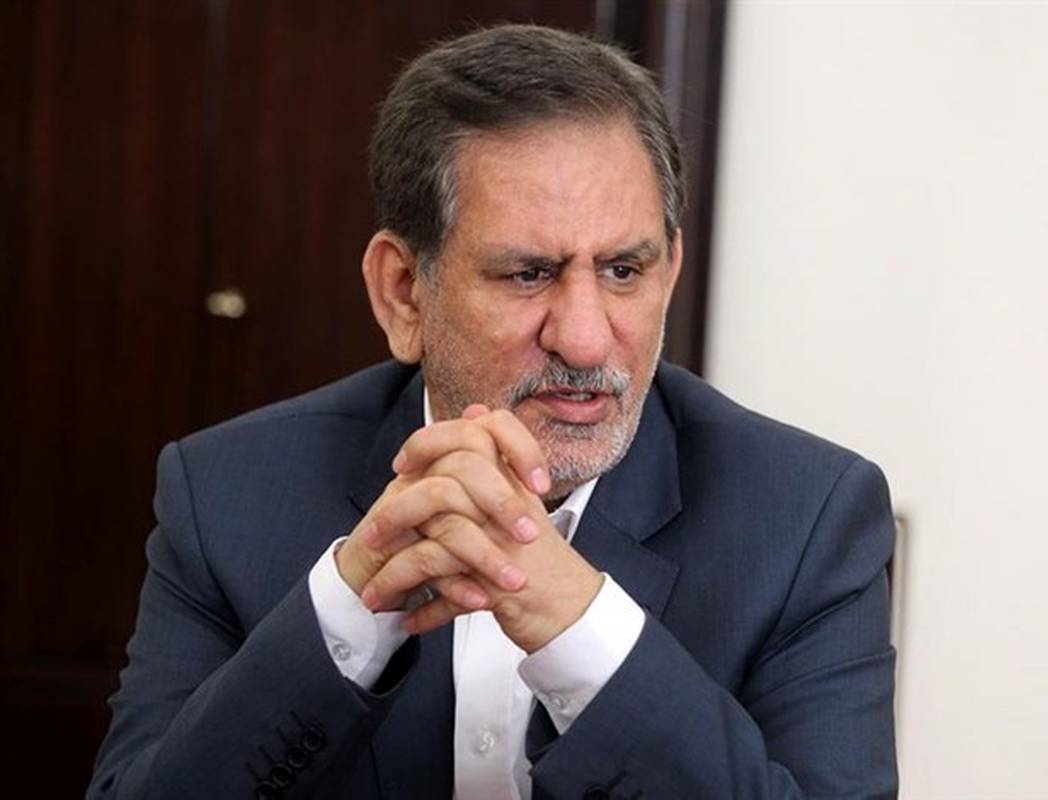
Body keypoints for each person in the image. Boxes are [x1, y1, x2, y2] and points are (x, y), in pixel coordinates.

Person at [89, 24, 898, 800]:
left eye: (623, 271)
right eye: (528, 274)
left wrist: (580, 631)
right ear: (404, 292)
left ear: (671, 268)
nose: (585, 338)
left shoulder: (806, 520)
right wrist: (346, 613)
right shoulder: (225, 495)